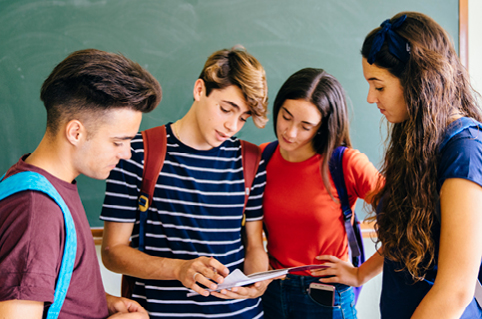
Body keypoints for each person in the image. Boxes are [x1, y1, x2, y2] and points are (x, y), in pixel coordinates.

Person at [319, 11, 482, 319]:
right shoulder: (416, 141)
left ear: (417, 83)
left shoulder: (464, 151)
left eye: (379, 86)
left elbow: (456, 289)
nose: (370, 97)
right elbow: (405, 235)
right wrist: (358, 275)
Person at [100, 46, 270, 318]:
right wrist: (179, 269)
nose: (232, 126)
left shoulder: (251, 159)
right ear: (200, 90)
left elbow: (253, 246)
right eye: (227, 109)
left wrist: (258, 282)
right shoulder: (137, 152)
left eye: (243, 117)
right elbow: (112, 252)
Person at [0, 49, 162, 318]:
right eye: (118, 141)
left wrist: (101, 301)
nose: (127, 153)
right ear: (76, 132)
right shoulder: (37, 213)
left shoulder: (38, 183)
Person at [259, 67, 381, 319]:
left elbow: (408, 222)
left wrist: (361, 274)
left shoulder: (346, 163)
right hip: (271, 292)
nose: (290, 132)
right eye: (285, 116)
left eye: (305, 126)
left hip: (325, 296)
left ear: (323, 127)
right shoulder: (262, 157)